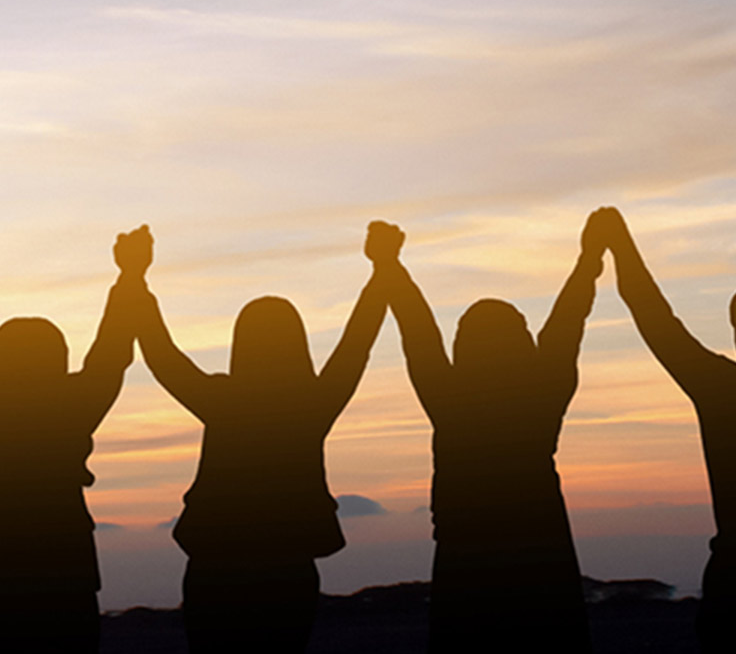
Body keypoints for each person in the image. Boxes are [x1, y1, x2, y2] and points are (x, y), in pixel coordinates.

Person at [127, 224, 386, 653]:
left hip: (216, 568)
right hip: (286, 567)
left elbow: (161, 354)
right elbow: (356, 344)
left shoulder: (223, 399)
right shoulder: (312, 403)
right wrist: (382, 273)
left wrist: (135, 279)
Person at [0, 225, 144, 654]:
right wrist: (130, 276)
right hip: (68, 575)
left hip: (2, 576)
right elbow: (112, 353)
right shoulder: (74, 405)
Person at [378, 212, 607, 653]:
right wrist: (589, 258)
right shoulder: (542, 395)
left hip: (466, 567)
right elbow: (568, 320)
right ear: (524, 343)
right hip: (543, 564)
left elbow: (417, 331)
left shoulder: (449, 400)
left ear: (463, 348)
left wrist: (390, 266)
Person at [591, 207, 736, 648]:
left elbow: (654, 317)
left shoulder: (720, 387)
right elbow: (654, 316)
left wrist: (618, 242)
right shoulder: (720, 386)